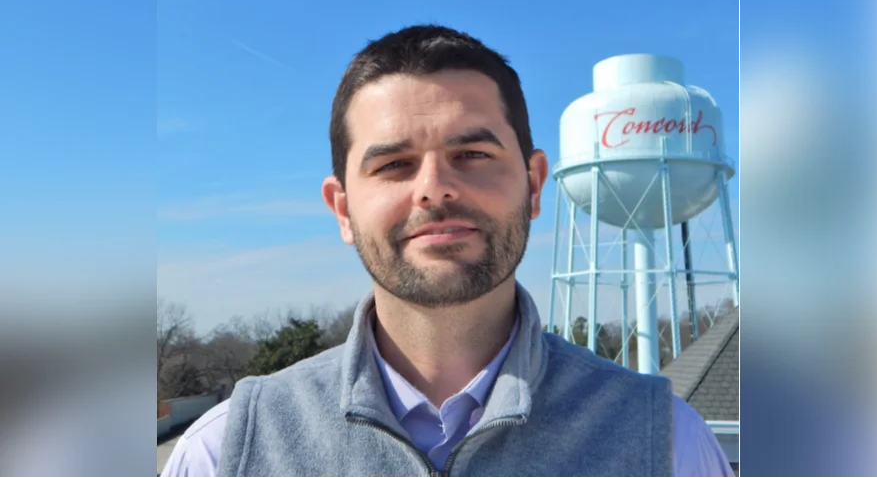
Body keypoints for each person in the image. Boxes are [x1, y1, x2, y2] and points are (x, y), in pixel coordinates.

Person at [160, 24, 735, 477]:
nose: (434, 187)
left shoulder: (666, 446)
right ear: (342, 209)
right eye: (393, 165)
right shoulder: (228, 452)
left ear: (535, 185)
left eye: (473, 155)